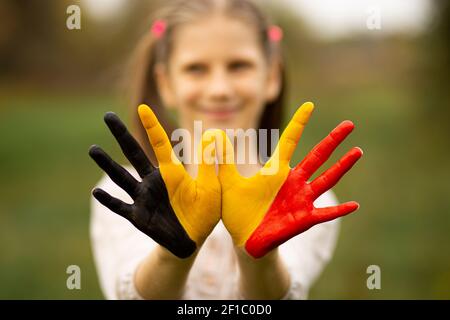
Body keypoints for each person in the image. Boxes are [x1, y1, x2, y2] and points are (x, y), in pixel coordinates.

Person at [89, 0, 363, 300]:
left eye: (238, 66)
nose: (219, 89)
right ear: (166, 84)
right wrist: (172, 253)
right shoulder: (127, 192)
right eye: (196, 69)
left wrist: (257, 250)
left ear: (271, 77)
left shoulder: (304, 198)